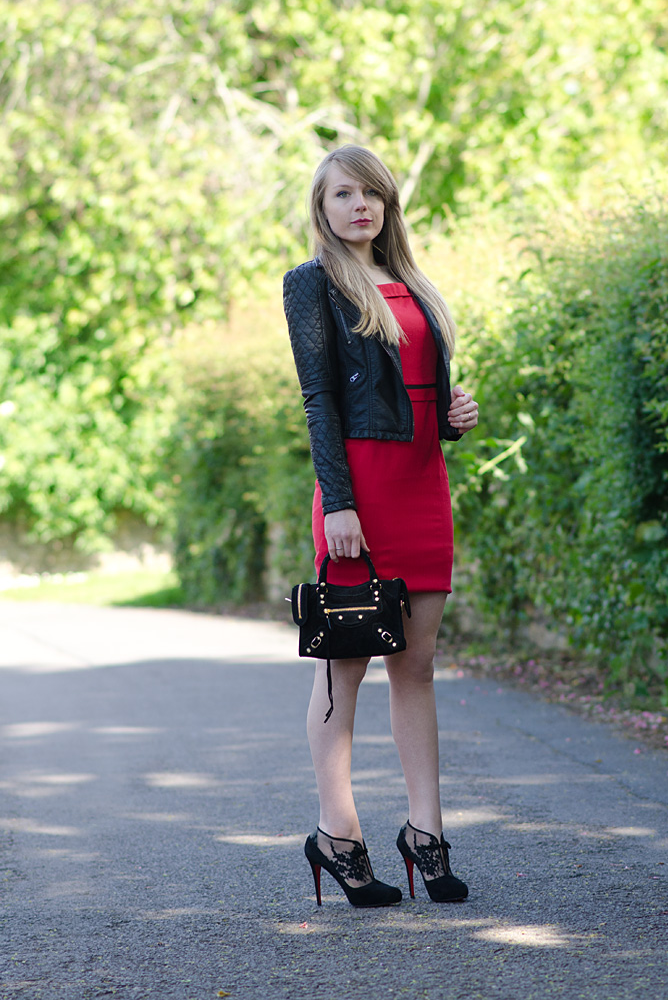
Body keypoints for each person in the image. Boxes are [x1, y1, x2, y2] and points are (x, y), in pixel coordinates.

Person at [283, 145, 478, 908]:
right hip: (358, 494)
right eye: (342, 194)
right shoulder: (313, 284)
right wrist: (338, 503)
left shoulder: (414, 286)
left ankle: (424, 833)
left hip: (423, 485)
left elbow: (418, 393)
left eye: (370, 193)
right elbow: (318, 400)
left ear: (388, 203)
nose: (358, 205)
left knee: (417, 666)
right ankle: (337, 831)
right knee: (346, 664)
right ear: (322, 208)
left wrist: (454, 419)